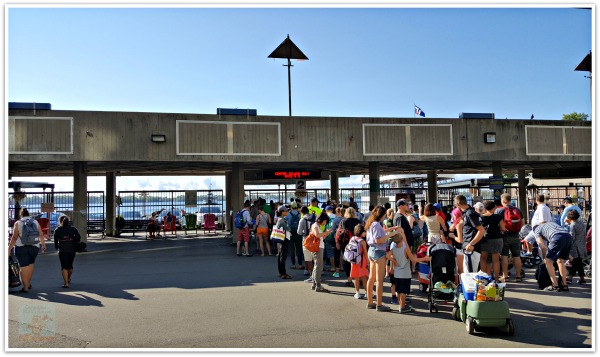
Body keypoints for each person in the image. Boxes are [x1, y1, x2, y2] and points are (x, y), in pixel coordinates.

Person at [366, 206, 401, 312]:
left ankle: (370, 302)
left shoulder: (371, 223)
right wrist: (393, 233)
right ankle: (379, 304)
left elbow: (380, 233)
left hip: (371, 251)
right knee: (379, 280)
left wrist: (391, 229)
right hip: (378, 251)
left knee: (371, 278)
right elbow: (378, 240)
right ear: (381, 215)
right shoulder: (376, 224)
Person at [386, 231, 430, 313]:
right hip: (405, 274)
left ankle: (401, 305)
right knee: (403, 291)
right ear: (402, 238)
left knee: (398, 290)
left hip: (397, 273)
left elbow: (387, 255)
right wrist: (425, 258)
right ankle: (402, 307)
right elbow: (413, 260)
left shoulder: (394, 249)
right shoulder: (405, 248)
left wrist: (394, 261)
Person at [8, 208, 47, 293]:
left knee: (23, 267)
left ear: (21, 214)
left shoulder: (18, 223)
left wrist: (9, 249)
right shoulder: (35, 222)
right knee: (30, 265)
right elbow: (40, 234)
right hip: (34, 247)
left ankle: (25, 287)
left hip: (21, 247)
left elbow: (14, 237)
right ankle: (28, 283)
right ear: (28, 214)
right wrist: (43, 245)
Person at [533, 222, 572, 291]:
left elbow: (542, 246)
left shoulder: (537, 230)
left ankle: (555, 285)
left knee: (548, 261)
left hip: (556, 236)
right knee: (560, 261)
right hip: (568, 236)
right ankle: (564, 284)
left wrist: (545, 258)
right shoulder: (549, 224)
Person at [495, 193, 524, 283]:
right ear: (510, 200)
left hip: (504, 236)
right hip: (515, 235)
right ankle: (518, 276)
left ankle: (505, 275)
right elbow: (522, 222)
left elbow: (496, 224)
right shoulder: (518, 210)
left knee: (504, 256)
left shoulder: (499, 211)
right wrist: (517, 231)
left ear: (503, 201)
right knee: (517, 256)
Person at [455, 195, 485, 273]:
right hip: (468, 247)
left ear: (458, 204)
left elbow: (481, 230)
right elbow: (461, 224)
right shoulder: (467, 213)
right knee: (468, 272)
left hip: (471, 248)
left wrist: (472, 244)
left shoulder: (470, 213)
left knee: (470, 274)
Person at [479, 200, 505, 280]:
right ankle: (496, 278)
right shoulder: (498, 217)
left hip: (485, 240)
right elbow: (503, 229)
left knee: (483, 259)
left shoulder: (480, 217)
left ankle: (483, 278)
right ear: (493, 208)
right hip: (497, 239)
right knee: (496, 260)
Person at [53, 215, 81, 288]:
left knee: (64, 266)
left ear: (60, 221)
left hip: (62, 250)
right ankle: (68, 278)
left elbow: (55, 242)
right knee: (70, 265)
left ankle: (66, 283)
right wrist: (73, 242)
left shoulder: (57, 230)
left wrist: (57, 247)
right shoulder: (73, 229)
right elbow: (78, 237)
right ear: (68, 221)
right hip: (72, 249)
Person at [310, 212, 333, 292]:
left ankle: (314, 284)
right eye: (325, 221)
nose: (325, 222)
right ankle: (318, 285)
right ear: (322, 220)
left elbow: (320, 237)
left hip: (318, 247)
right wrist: (325, 233)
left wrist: (325, 234)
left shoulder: (316, 225)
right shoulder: (316, 225)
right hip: (318, 248)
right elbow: (317, 235)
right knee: (318, 266)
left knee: (317, 266)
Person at [566, 210, 587, 284]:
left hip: (575, 247)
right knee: (578, 262)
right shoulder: (581, 223)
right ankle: (581, 278)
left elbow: (572, 237)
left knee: (576, 262)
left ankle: (570, 277)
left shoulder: (573, 225)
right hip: (582, 245)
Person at [298, 206, 315, 281]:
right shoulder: (315, 217)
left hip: (306, 239)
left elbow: (299, 232)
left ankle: (311, 275)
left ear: (302, 212)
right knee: (315, 258)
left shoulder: (302, 220)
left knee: (308, 258)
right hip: (315, 239)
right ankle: (317, 274)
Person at [275, 206, 293, 279]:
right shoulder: (281, 220)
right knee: (283, 256)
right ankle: (283, 273)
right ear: (282, 212)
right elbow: (288, 228)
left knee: (281, 256)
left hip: (280, 239)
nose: (287, 212)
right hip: (283, 239)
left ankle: (281, 272)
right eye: (286, 211)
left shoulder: (280, 219)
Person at [286, 202, 304, 270]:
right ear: (297, 207)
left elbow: (286, 222)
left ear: (291, 207)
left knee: (292, 248)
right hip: (298, 232)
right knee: (299, 248)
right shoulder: (300, 215)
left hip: (290, 233)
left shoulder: (288, 214)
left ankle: (293, 264)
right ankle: (300, 264)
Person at [449, 204, 464, 275]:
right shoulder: (459, 223)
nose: (453, 218)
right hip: (463, 247)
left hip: (460, 247)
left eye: (454, 216)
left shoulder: (459, 225)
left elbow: (460, 240)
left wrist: (453, 236)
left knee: (461, 269)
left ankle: (461, 283)